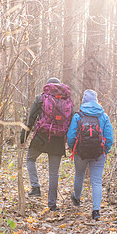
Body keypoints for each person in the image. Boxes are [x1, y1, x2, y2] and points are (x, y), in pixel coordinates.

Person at [20, 77, 73, 212]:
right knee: (53, 173)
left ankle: (35, 187)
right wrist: (70, 142)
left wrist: (23, 138)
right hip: (58, 139)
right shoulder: (67, 100)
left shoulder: (41, 98)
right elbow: (71, 122)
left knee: (30, 159)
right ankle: (52, 204)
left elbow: (30, 119)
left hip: (41, 137)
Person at [67, 89, 113, 220]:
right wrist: (105, 150)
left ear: (84, 101)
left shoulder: (78, 115)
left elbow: (71, 136)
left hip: (80, 152)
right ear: (96, 100)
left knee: (79, 175)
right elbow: (109, 138)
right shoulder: (103, 116)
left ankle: (76, 198)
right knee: (97, 182)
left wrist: (72, 148)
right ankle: (96, 211)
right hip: (99, 154)